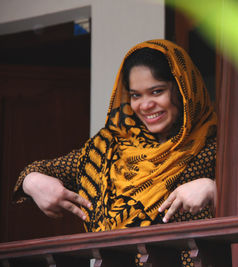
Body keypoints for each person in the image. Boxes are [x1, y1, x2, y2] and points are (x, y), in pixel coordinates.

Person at [13, 39, 217, 237]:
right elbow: (36, 171)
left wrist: (214, 189)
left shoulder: (215, 149)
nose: (145, 105)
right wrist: (32, 182)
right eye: (136, 95)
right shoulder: (107, 148)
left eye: (157, 91)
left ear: (183, 90)